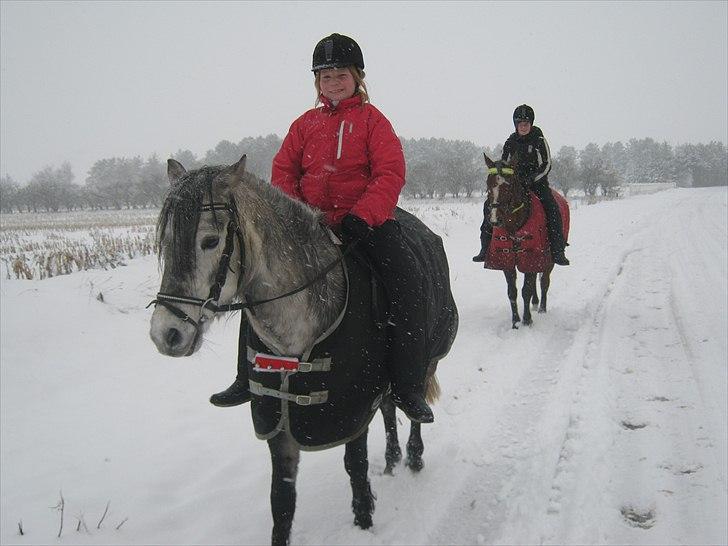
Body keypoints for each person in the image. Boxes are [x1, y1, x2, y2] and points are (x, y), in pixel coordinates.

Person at [210, 33, 434, 423]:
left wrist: (362, 215)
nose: (333, 83)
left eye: (340, 76)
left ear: (357, 78)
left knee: (408, 281)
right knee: (256, 281)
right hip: (308, 227)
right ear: (317, 83)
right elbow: (283, 171)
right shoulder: (304, 125)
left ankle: (408, 385)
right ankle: (246, 376)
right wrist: (298, 215)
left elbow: (389, 172)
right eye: (325, 77)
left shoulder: (373, 122)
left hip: (365, 224)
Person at [473, 104, 569, 266]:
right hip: (514, 183)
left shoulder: (539, 139)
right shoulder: (510, 142)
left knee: (552, 208)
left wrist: (532, 179)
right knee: (489, 205)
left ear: (531, 124)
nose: (523, 127)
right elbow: (504, 165)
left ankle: (557, 250)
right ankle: (485, 247)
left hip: (537, 183)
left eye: (526, 124)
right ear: (515, 125)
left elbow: (546, 164)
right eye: (520, 124)